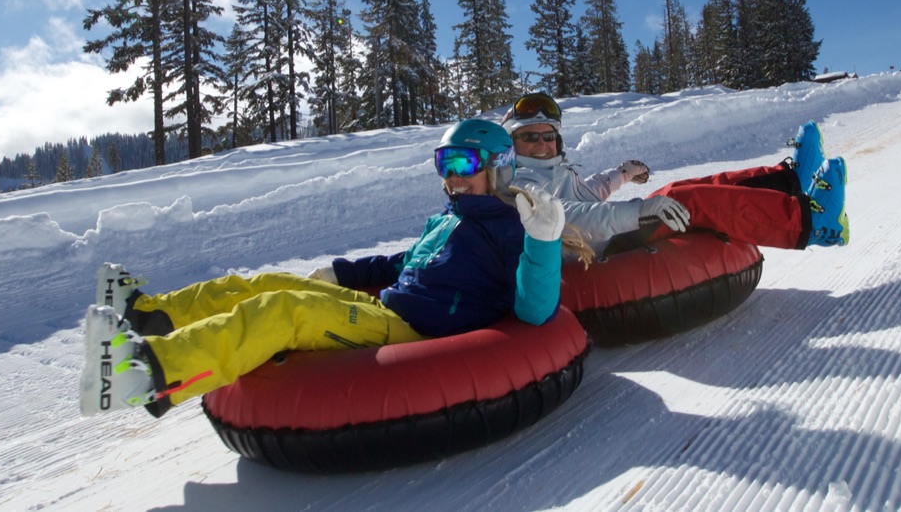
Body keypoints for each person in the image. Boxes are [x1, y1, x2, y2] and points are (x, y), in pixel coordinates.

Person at [80, 119, 566, 419]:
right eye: (444, 162)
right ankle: (147, 315)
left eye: (465, 163)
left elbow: (534, 309)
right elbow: (403, 262)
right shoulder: (450, 216)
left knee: (284, 310)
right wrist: (343, 273)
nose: (453, 176)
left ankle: (149, 373)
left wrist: (542, 242)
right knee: (269, 282)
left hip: (414, 332)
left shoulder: (510, 227)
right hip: (385, 306)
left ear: (499, 167)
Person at [502, 92, 849, 255]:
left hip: (606, 236)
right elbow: (573, 216)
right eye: (530, 137)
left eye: (548, 135)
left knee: (679, 187)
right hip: (598, 254)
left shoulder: (552, 170)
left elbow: (588, 195)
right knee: (685, 200)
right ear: (513, 144)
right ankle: (811, 225)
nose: (542, 143)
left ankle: (789, 180)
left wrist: (623, 174)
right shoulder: (521, 184)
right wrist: (639, 210)